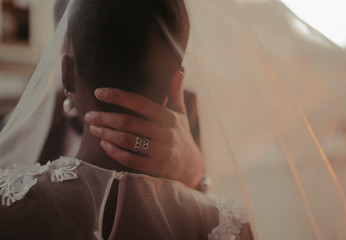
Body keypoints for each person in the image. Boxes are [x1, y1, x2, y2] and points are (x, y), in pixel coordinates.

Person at [0, 0, 252, 239]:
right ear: (175, 80)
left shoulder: (8, 205)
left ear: (66, 71)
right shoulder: (233, 227)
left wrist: (195, 173)